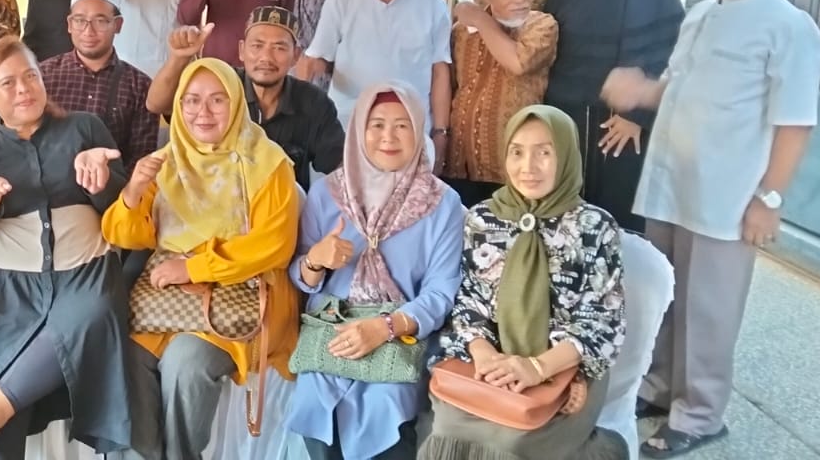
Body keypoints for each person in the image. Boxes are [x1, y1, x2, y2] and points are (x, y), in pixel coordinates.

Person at [600, 0, 820, 459]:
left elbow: (795, 123)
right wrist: (642, 91)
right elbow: (679, 87)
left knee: (709, 309)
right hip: (671, 183)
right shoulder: (702, 13)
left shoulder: (790, 28)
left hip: (726, 196)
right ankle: (659, 389)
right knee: (664, 294)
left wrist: (768, 199)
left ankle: (700, 415)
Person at [0, 37, 143, 459]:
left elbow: (123, 210)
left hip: (84, 272)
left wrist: (102, 183)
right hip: (7, 283)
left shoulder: (85, 129)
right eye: (8, 83)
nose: (24, 89)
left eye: (30, 76)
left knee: (93, 313)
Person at [101, 58, 300, 459]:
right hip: (165, 304)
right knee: (124, 359)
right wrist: (133, 192)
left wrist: (192, 267)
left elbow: (273, 246)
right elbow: (125, 234)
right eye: (191, 100)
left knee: (186, 365)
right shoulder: (168, 160)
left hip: (238, 300)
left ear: (236, 103)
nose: (202, 112)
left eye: (216, 100)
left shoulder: (267, 163)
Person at [421, 105, 627, 460]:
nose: (527, 166)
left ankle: (602, 451)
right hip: (489, 358)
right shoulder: (483, 219)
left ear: (565, 156)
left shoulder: (595, 227)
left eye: (544, 152)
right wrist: (485, 357)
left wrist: (541, 368)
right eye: (517, 152)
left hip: (566, 366)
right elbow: (469, 299)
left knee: (512, 442)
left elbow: (601, 321)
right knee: (448, 430)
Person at [286, 83, 465, 460]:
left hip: (400, 336)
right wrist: (315, 260)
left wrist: (385, 327)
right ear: (358, 130)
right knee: (316, 400)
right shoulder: (327, 194)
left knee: (386, 407)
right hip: (332, 333)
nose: (388, 137)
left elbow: (440, 292)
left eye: (402, 126)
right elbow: (301, 277)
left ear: (419, 131)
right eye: (377, 124)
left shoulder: (443, 203)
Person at [542, 0, 684, 234]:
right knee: (563, 219)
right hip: (567, 120)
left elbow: (672, 54)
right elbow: (547, 45)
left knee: (616, 223)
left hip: (620, 127)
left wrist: (638, 115)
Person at [149, 7, 345, 190]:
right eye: (257, 46)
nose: (266, 57)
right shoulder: (220, 85)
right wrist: (179, 58)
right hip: (214, 205)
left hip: (283, 207)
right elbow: (155, 105)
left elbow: (341, 167)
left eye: (279, 48)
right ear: (242, 50)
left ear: (295, 55)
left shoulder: (314, 103)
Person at [298, 0, 453, 140]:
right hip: (347, 125)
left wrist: (440, 132)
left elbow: (440, 73)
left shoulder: (433, 5)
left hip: (409, 129)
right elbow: (318, 58)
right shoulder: (340, 0)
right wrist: (308, 71)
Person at [444, 0, 560, 206]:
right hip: (460, 162)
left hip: (513, 167)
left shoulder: (541, 25)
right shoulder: (461, 31)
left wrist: (479, 18)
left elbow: (519, 62)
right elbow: (449, 84)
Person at [38, 0, 160, 171]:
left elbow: (141, 158)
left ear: (117, 25)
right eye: (80, 21)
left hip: (113, 187)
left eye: (100, 21)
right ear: (69, 24)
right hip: (50, 185)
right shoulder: (43, 77)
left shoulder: (140, 86)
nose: (88, 31)